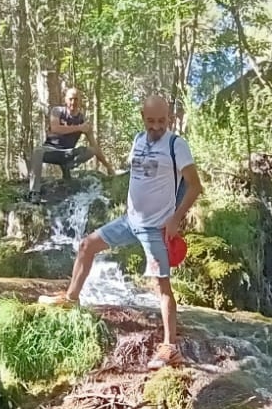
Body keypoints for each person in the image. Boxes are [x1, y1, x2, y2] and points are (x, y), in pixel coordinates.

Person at [40, 94, 202, 370]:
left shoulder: (177, 145)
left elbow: (195, 186)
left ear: (169, 118)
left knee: (162, 285)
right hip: (129, 221)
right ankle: (71, 299)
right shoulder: (138, 140)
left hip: (155, 228)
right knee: (86, 245)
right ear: (142, 118)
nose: (156, 126)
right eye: (151, 121)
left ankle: (170, 347)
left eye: (161, 121)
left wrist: (175, 219)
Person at [28, 88, 111, 197]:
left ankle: (68, 169)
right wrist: (79, 128)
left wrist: (108, 167)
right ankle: (34, 192)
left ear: (80, 101)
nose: (73, 102)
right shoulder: (57, 111)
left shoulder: (82, 120)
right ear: (65, 100)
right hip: (51, 150)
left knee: (91, 150)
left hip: (68, 153)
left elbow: (95, 146)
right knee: (37, 151)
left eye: (76, 99)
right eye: (71, 99)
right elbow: (55, 128)